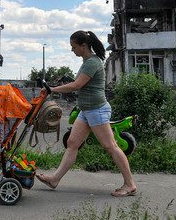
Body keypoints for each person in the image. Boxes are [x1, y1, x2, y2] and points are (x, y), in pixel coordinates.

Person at [37, 30, 138, 197]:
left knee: (110, 146)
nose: (72, 50)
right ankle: (55, 179)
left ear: (84, 46)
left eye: (74, 47)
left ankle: (130, 184)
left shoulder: (92, 62)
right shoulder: (87, 62)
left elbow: (76, 85)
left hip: (96, 110)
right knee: (72, 143)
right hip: (87, 111)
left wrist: (51, 89)